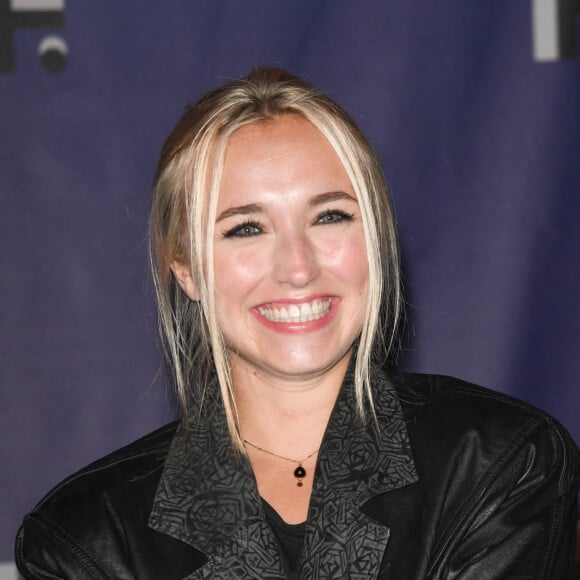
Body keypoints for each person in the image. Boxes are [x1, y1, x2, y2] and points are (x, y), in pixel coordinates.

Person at [15, 67, 579, 579]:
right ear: (185, 269)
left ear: (375, 241)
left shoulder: (499, 463)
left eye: (329, 216)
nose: (298, 268)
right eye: (246, 228)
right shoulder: (87, 538)